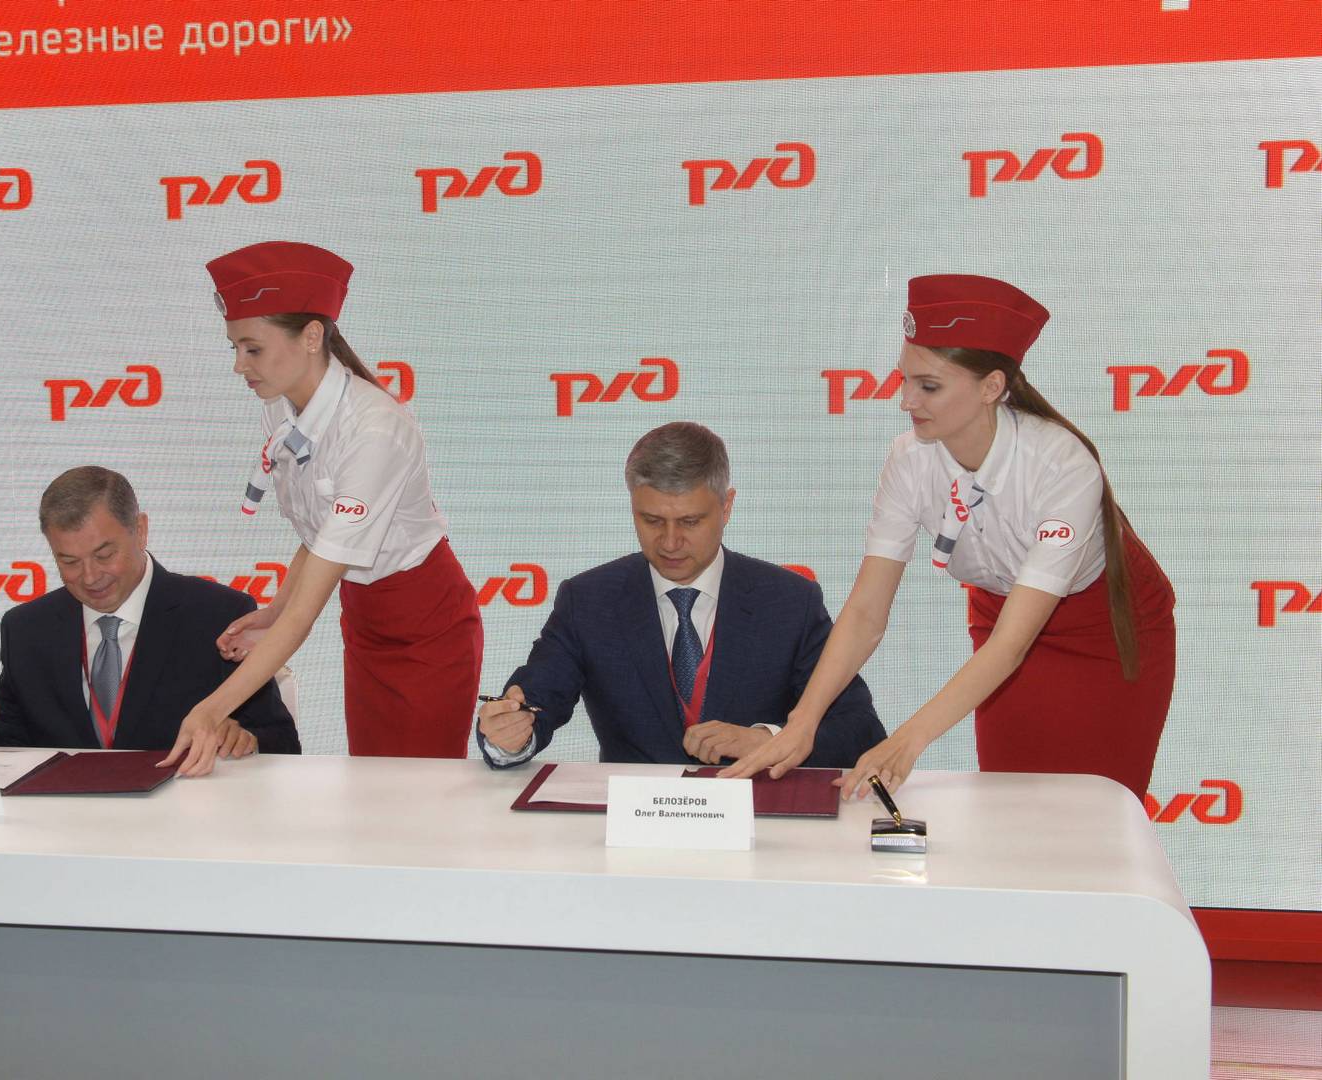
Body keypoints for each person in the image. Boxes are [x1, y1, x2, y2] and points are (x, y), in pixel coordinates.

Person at [724, 274, 1176, 802]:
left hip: (1105, 628)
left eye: (929, 386)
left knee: (1099, 809)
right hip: (1000, 615)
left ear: (991, 387)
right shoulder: (909, 459)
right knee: (1010, 803)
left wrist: (906, 741)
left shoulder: (1062, 464)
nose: (905, 401)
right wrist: (801, 723)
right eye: (904, 380)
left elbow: (1013, 645)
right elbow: (866, 612)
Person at [162, 240, 482, 774]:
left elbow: (305, 614)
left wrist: (211, 709)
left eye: (252, 349)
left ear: (312, 337)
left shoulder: (375, 430)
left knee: (421, 793)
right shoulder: (280, 407)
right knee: (371, 783)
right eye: (234, 348)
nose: (239, 366)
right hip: (365, 619)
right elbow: (317, 534)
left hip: (427, 629)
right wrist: (274, 610)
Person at [476, 422, 885, 768]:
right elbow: (533, 701)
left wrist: (767, 740)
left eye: (690, 521)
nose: (670, 542)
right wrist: (508, 735)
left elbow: (858, 728)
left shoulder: (790, 602)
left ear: (727, 507)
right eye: (651, 520)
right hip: (632, 827)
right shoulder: (588, 601)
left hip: (757, 822)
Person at [0, 466, 299, 759]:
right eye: (69, 561)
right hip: (63, 825)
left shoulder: (218, 615)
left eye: (104, 555)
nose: (90, 577)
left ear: (140, 531)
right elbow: (15, 751)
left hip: (182, 822)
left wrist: (244, 741)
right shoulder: (26, 630)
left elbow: (281, 741)